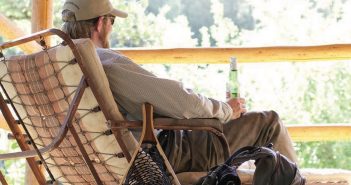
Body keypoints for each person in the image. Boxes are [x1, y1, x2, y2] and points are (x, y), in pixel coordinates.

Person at [61, 0, 298, 173]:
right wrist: (226, 110)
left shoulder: (63, 67)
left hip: (97, 162)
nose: (111, 26)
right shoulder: (107, 63)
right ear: (102, 23)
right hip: (162, 155)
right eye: (111, 20)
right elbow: (181, 102)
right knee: (269, 122)